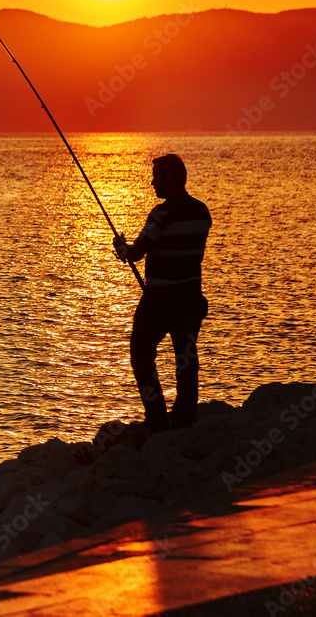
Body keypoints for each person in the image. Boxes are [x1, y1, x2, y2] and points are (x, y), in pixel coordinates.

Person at [112, 154, 211, 432]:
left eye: (156, 177)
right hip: (191, 297)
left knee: (141, 353)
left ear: (169, 179)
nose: (152, 182)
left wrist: (121, 248)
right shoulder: (202, 212)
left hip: (160, 300)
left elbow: (136, 252)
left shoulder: (162, 213)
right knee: (186, 358)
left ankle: (156, 419)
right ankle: (182, 422)